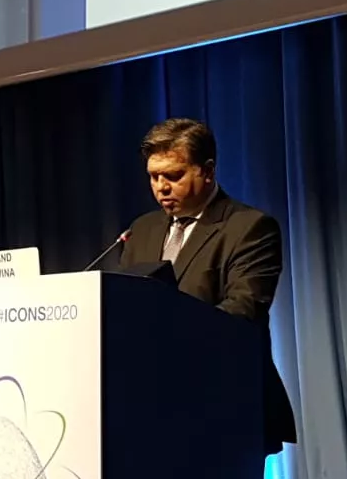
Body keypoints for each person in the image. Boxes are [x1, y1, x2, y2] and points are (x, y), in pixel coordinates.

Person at [117, 118, 297, 452]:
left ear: (208, 171)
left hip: (224, 405)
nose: (161, 187)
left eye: (173, 176)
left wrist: (167, 334)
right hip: (151, 408)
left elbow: (243, 310)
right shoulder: (141, 230)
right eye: (154, 177)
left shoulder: (249, 227)